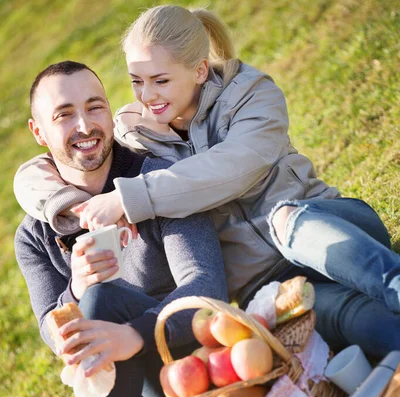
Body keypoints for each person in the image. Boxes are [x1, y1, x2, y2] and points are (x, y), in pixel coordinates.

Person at [13, 6, 400, 358]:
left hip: (335, 232)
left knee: (286, 220)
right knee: (354, 317)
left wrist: (128, 199)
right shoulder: (136, 131)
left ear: (199, 70)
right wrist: (66, 205)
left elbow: (228, 170)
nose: (147, 96)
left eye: (160, 80)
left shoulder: (252, 96)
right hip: (268, 287)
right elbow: (41, 168)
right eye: (136, 81)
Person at [2, 60, 228, 397]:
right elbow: (51, 333)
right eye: (64, 114)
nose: (85, 125)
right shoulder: (35, 234)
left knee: (107, 297)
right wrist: (75, 292)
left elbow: (208, 289)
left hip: (190, 374)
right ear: (39, 132)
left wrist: (129, 328)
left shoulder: (155, 179)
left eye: (94, 106)